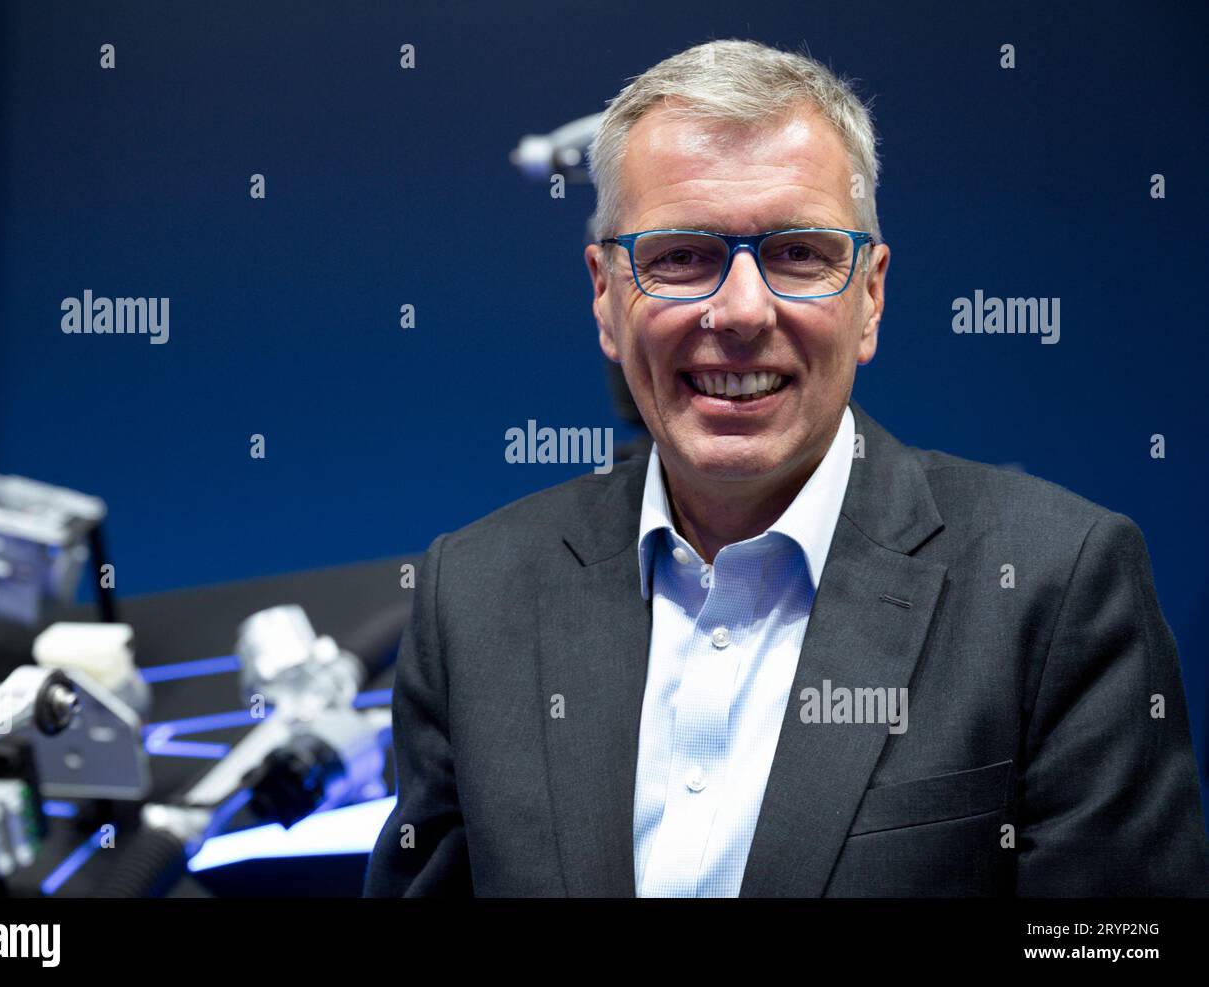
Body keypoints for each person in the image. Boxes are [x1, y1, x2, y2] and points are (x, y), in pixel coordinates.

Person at [363, 39, 1209, 896]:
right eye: (681, 256)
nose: (739, 311)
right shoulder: (470, 598)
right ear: (606, 298)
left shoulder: (1055, 586)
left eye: (798, 253)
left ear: (871, 295)